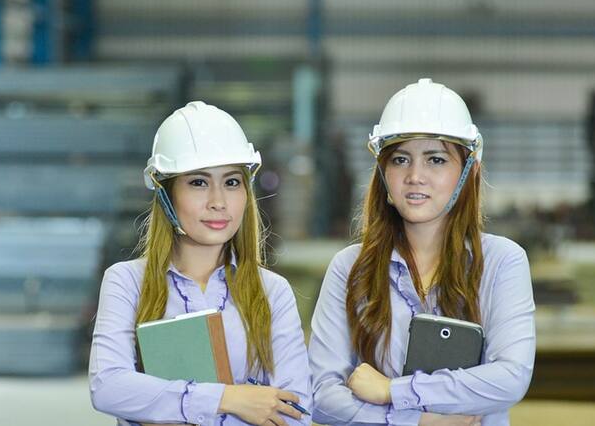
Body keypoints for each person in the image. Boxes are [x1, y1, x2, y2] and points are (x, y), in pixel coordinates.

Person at [309, 79, 535, 426]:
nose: (415, 176)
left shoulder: (502, 262)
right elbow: (322, 396)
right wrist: (418, 421)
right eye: (401, 159)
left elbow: (510, 378)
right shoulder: (349, 269)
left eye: (436, 159)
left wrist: (393, 392)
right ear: (383, 173)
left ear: (469, 172)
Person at [89, 101, 311, 426]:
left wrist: (163, 406)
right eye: (198, 182)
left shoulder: (272, 292)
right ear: (165, 194)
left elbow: (295, 413)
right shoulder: (126, 281)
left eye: (232, 182)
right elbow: (108, 387)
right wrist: (230, 399)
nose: (218, 202)